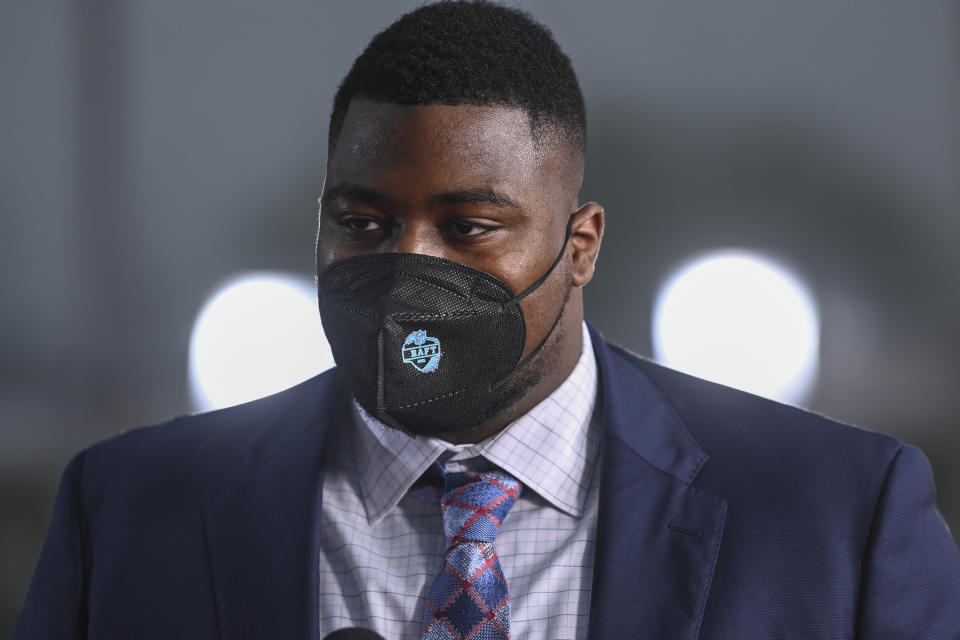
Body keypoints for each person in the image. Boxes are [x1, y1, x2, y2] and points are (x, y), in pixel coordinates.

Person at [16, 2, 960, 639]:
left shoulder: (838, 517)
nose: (409, 268)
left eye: (468, 227)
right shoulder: (131, 511)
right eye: (362, 223)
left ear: (581, 244)